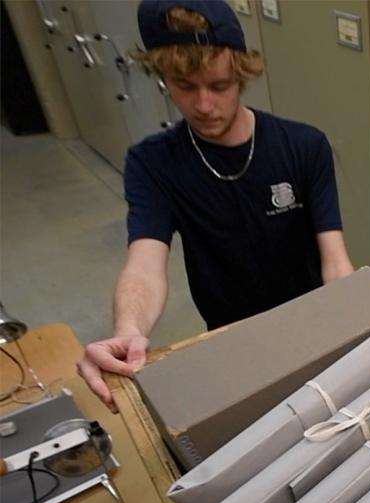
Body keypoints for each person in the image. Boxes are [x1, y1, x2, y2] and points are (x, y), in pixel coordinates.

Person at [76, 0, 354, 412]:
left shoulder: (304, 145)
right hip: (228, 341)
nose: (204, 106)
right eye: (185, 86)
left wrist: (354, 322)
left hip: (310, 328)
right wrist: (128, 330)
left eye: (219, 86)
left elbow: (335, 261)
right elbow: (144, 266)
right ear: (163, 78)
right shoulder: (152, 163)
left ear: (241, 76)